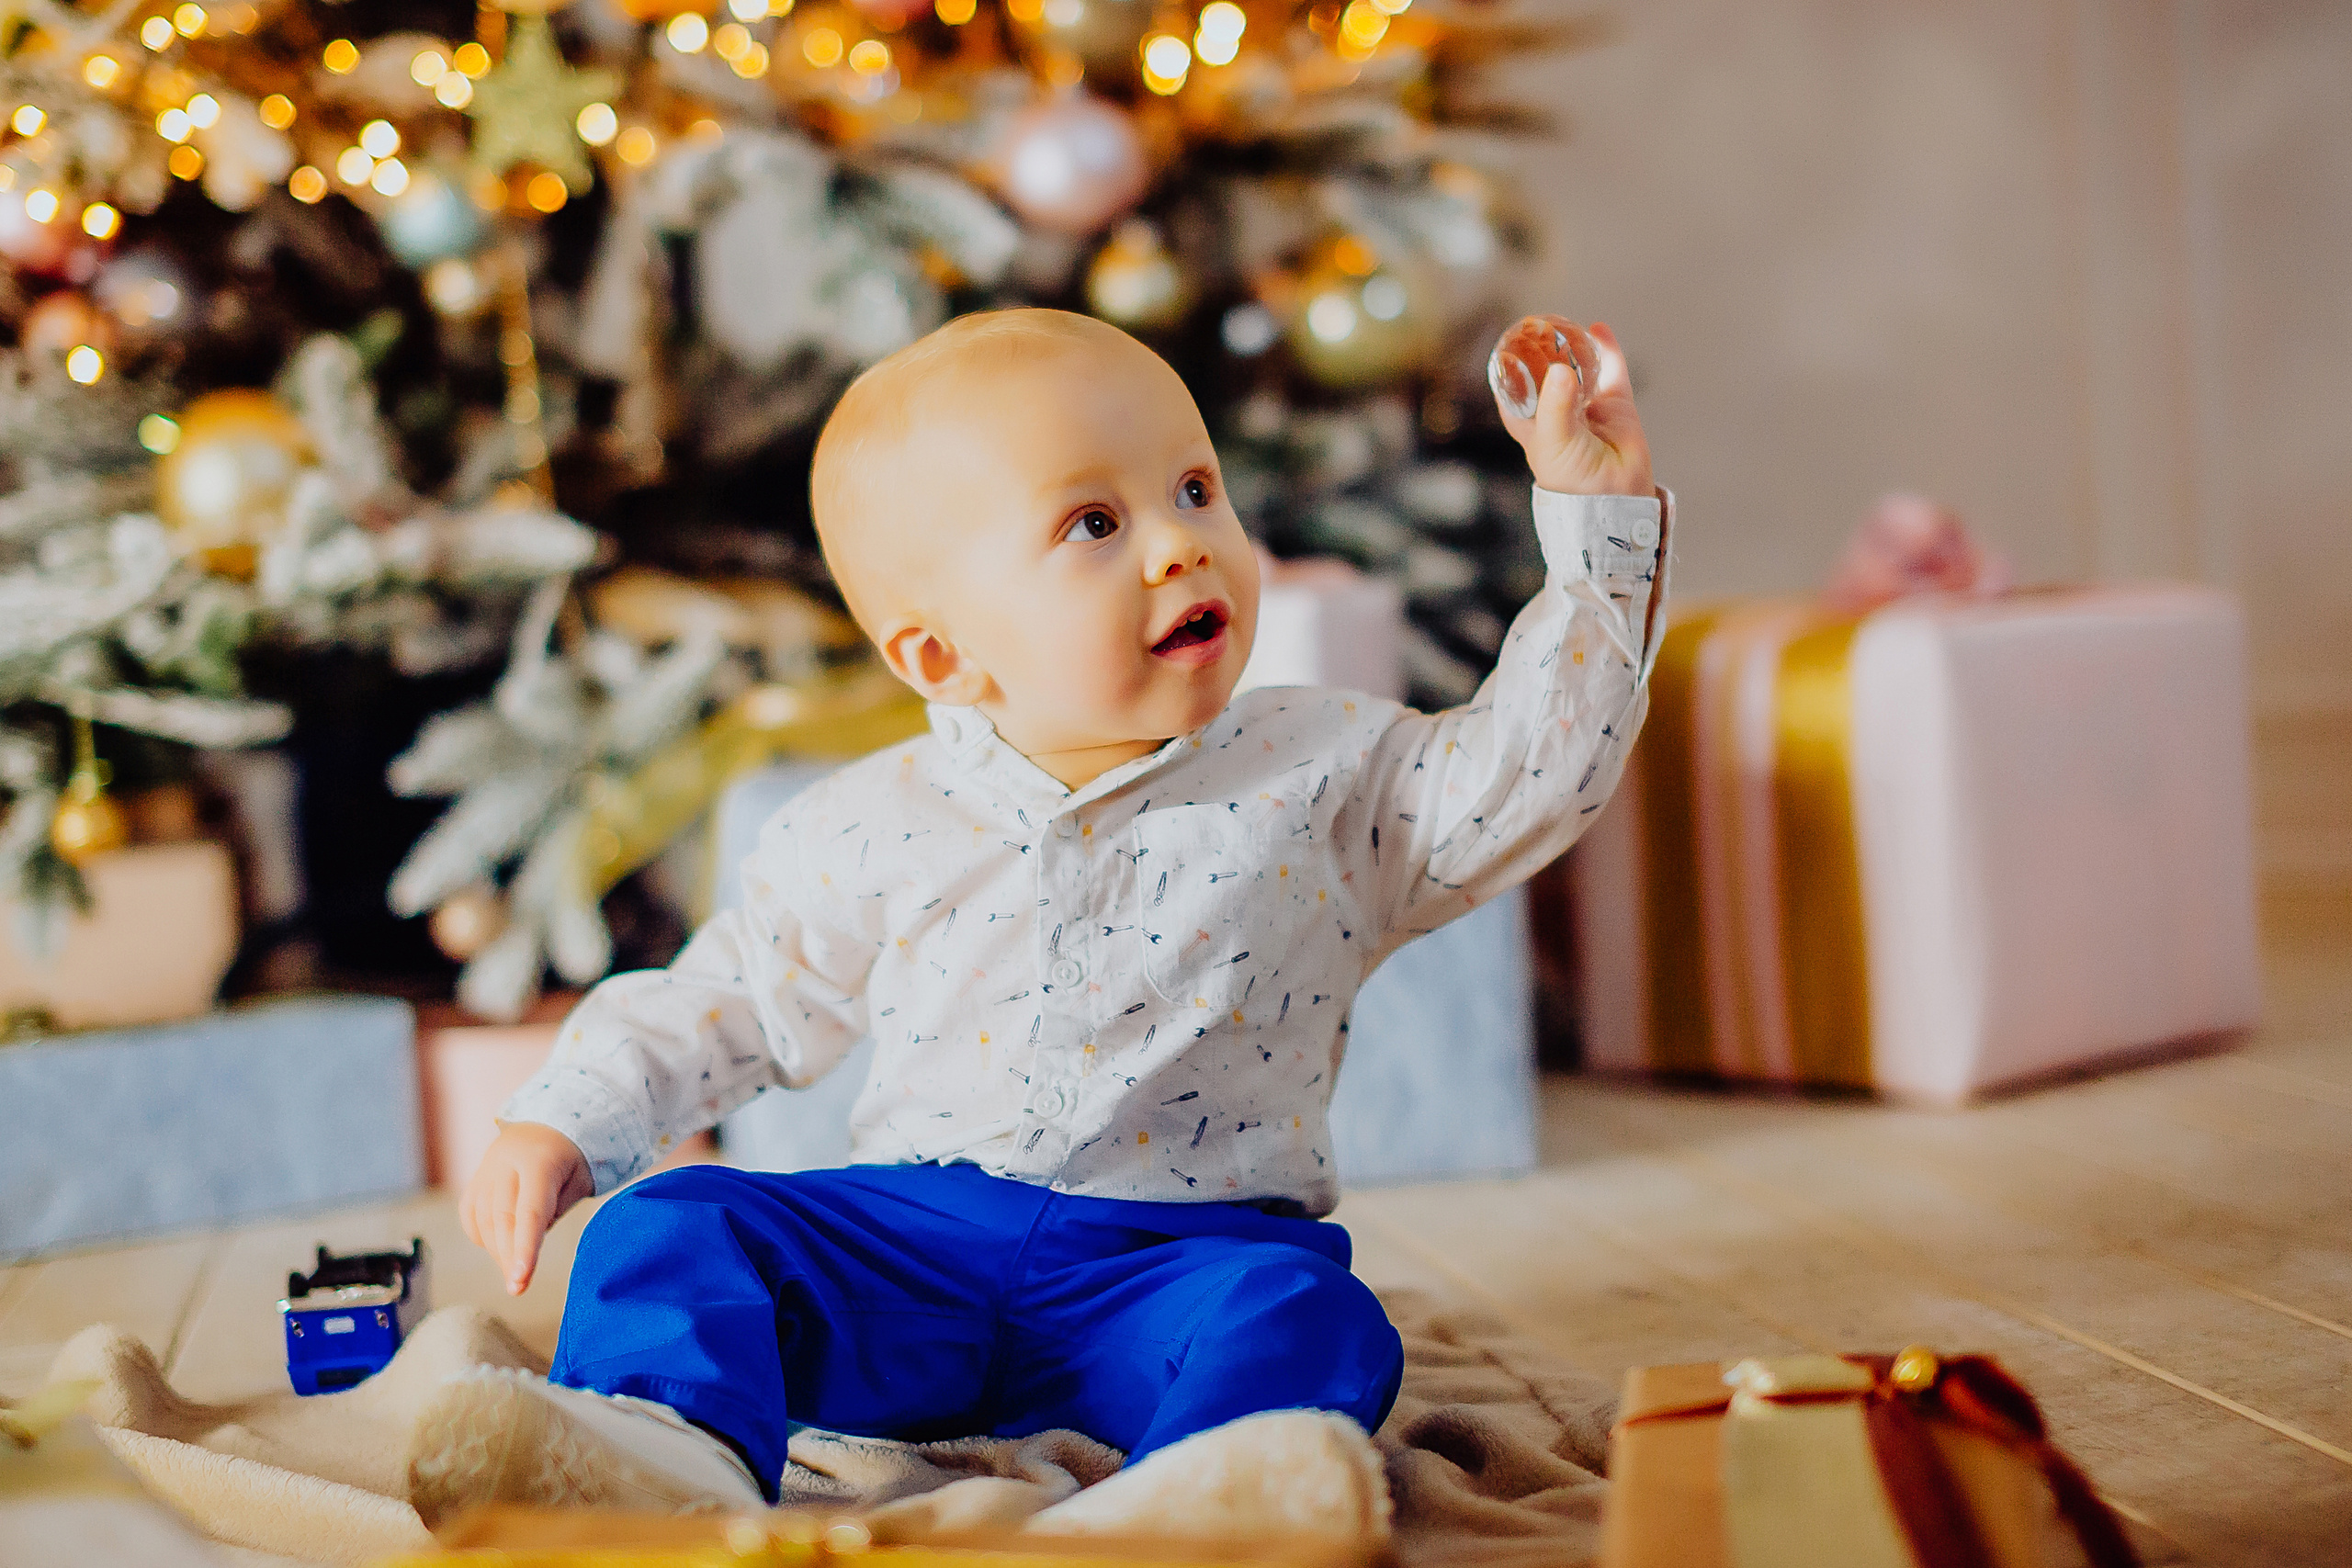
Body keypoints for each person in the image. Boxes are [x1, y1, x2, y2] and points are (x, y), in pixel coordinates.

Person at [407, 307, 1669, 1520]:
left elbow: (1533, 771)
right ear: (941, 658)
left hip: (1176, 1264)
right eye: (1093, 522)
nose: (1181, 546)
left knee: (1312, 1322)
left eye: (1194, 491)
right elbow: (733, 994)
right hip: (911, 1251)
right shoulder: (870, 821)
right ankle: (658, 1449)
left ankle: (1204, 1493)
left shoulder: (1329, 770)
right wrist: (572, 1117)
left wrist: (1597, 529)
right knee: (677, 1227)